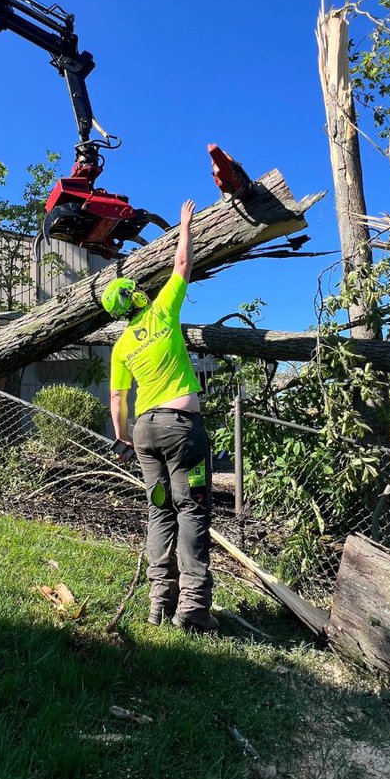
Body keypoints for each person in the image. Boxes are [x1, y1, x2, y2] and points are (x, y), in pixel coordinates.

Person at [102, 200, 217, 632]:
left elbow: (117, 398)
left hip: (144, 433)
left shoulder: (121, 347)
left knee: (159, 511)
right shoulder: (162, 311)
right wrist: (185, 225)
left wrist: (123, 437)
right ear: (136, 296)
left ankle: (158, 603)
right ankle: (193, 608)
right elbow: (182, 264)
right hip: (182, 431)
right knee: (192, 510)